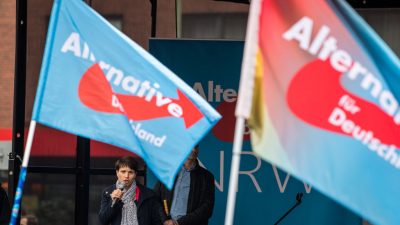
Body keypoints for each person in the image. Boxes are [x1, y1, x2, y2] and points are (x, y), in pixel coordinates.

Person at [154, 145, 215, 225]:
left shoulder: (206, 177)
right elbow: (155, 198)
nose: (194, 150)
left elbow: (207, 208)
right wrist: (165, 220)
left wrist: (178, 222)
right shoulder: (169, 172)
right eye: (191, 146)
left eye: (196, 147)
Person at [99, 156, 162, 225]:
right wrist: (113, 202)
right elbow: (103, 220)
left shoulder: (148, 194)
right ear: (117, 173)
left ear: (135, 174)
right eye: (123, 172)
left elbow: (156, 221)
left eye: (130, 172)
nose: (126, 176)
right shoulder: (108, 192)